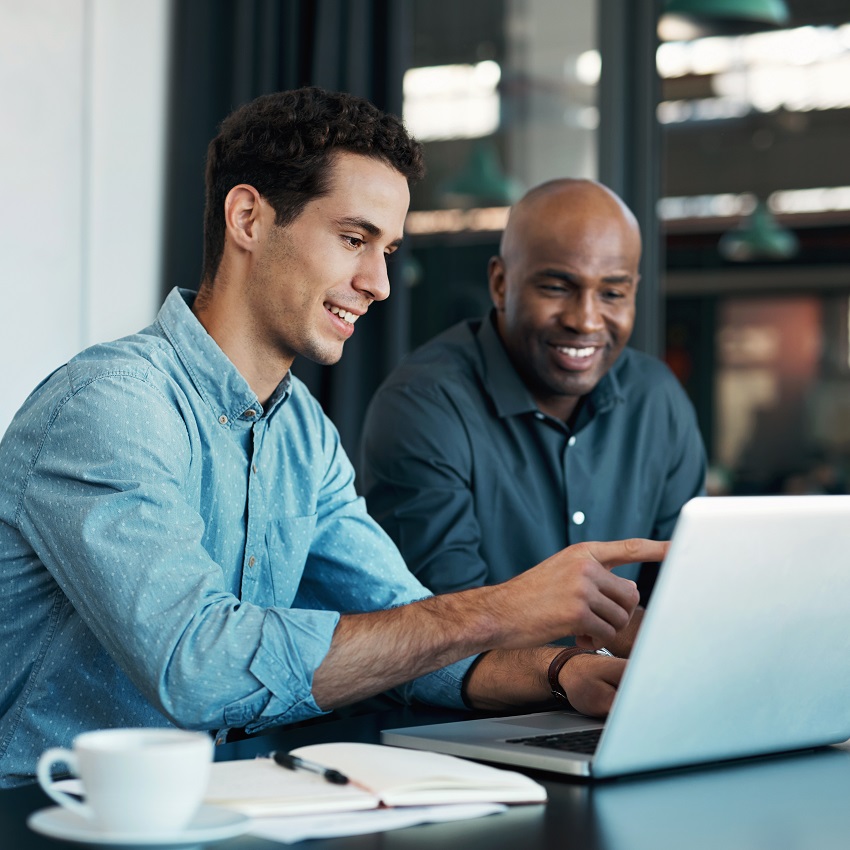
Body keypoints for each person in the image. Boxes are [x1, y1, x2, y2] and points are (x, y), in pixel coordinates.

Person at [0, 89, 665, 787]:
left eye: (388, 249)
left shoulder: (303, 435)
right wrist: (501, 609)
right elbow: (196, 665)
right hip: (48, 815)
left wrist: (565, 673)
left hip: (226, 803)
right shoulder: (110, 407)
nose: (377, 282)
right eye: (354, 239)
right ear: (249, 218)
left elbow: (403, 630)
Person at [360, 178, 706, 645]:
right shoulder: (424, 403)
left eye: (612, 293)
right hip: (466, 717)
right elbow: (445, 625)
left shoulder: (656, 398)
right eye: (558, 287)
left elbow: (685, 595)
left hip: (625, 705)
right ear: (501, 284)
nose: (585, 320)